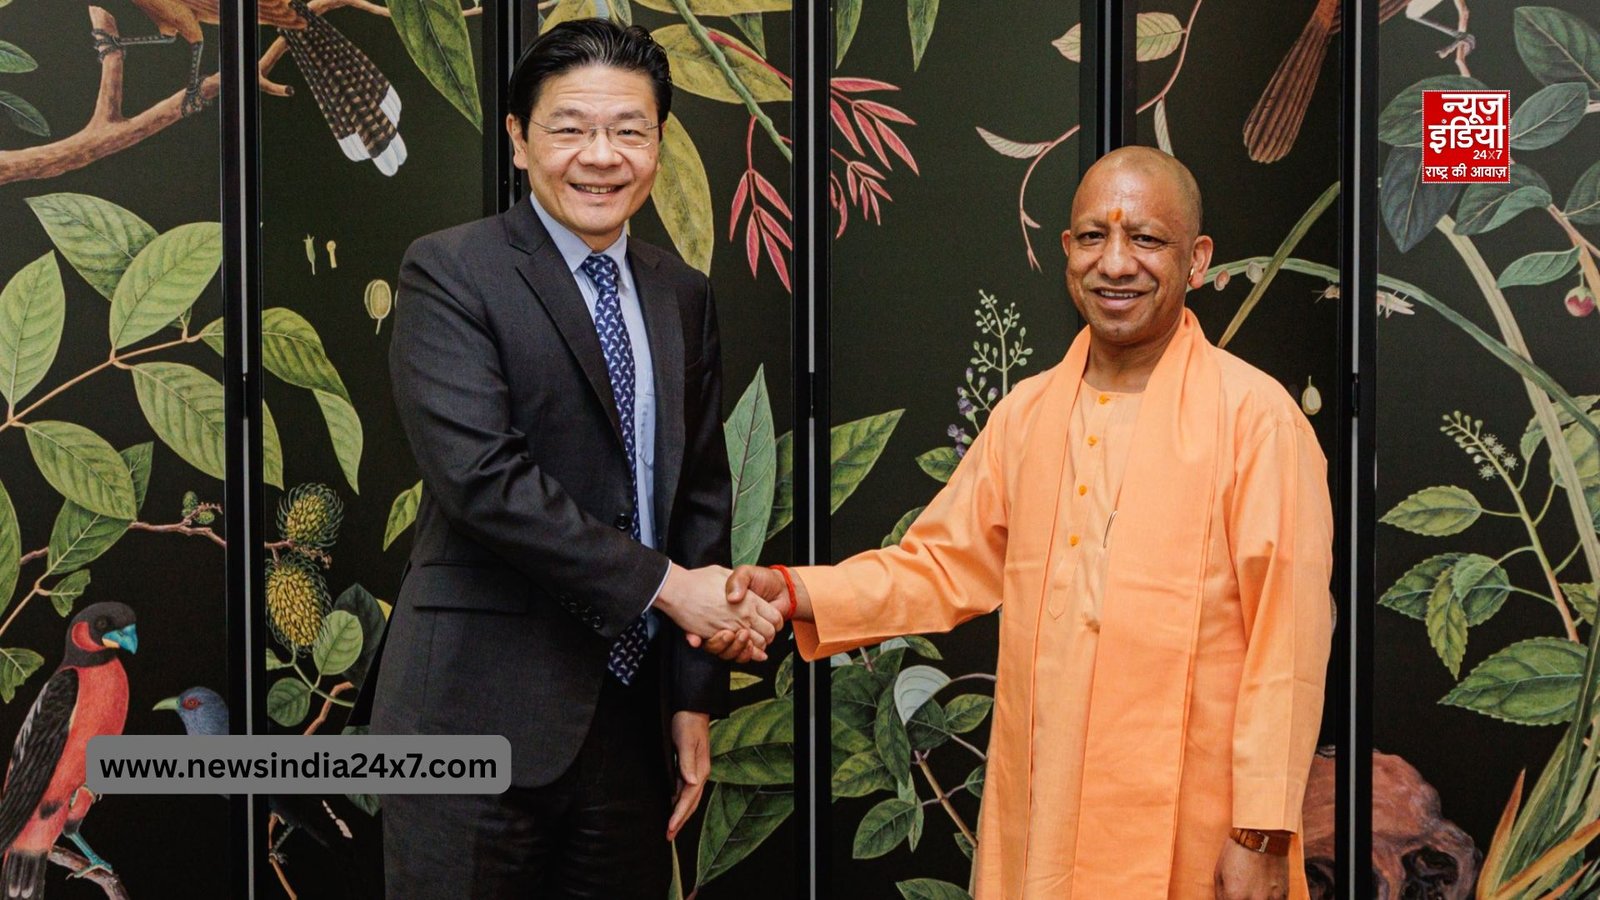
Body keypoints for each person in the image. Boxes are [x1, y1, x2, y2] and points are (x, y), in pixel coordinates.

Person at [722, 146, 1334, 900]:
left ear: (1197, 260)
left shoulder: (1257, 419)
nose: (1116, 263)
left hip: (1194, 823)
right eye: (1093, 237)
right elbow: (938, 566)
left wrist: (1261, 833)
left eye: (1146, 239)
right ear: (1067, 251)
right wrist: (794, 591)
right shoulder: (1028, 414)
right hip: (1045, 806)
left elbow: (1290, 640)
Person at [370, 19, 782, 899]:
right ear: (520, 140)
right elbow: (483, 481)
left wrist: (692, 696)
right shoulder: (451, 272)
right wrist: (670, 587)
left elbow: (699, 499)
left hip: (631, 728)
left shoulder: (683, 293)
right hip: (470, 719)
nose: (602, 156)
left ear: (658, 144)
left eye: (630, 130)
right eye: (570, 128)